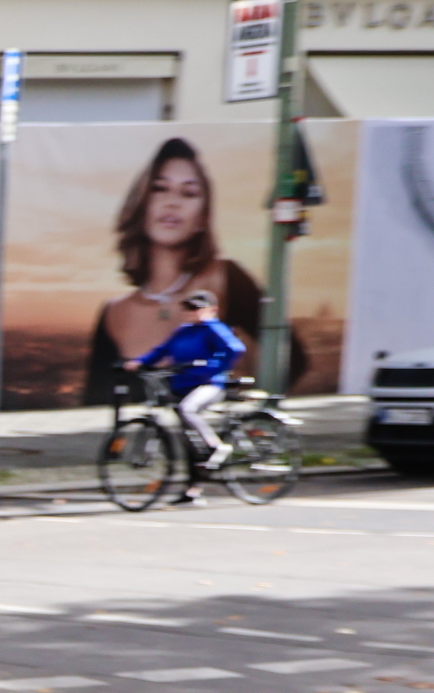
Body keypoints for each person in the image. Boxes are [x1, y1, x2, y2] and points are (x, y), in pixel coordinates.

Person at [85, 137, 299, 404]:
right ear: (143, 204)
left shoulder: (227, 278)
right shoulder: (113, 313)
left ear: (202, 216)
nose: (172, 202)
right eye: (160, 189)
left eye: (188, 193)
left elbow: (293, 362)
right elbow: (96, 396)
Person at [124, 289, 246, 505]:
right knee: (188, 439)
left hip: (208, 385)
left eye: (197, 308)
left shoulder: (213, 328)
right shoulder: (183, 331)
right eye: (188, 308)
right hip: (182, 385)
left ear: (212, 310)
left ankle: (216, 446)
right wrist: (139, 362)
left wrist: (211, 368)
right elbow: (162, 350)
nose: (192, 312)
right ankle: (192, 490)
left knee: (187, 410)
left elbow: (235, 349)